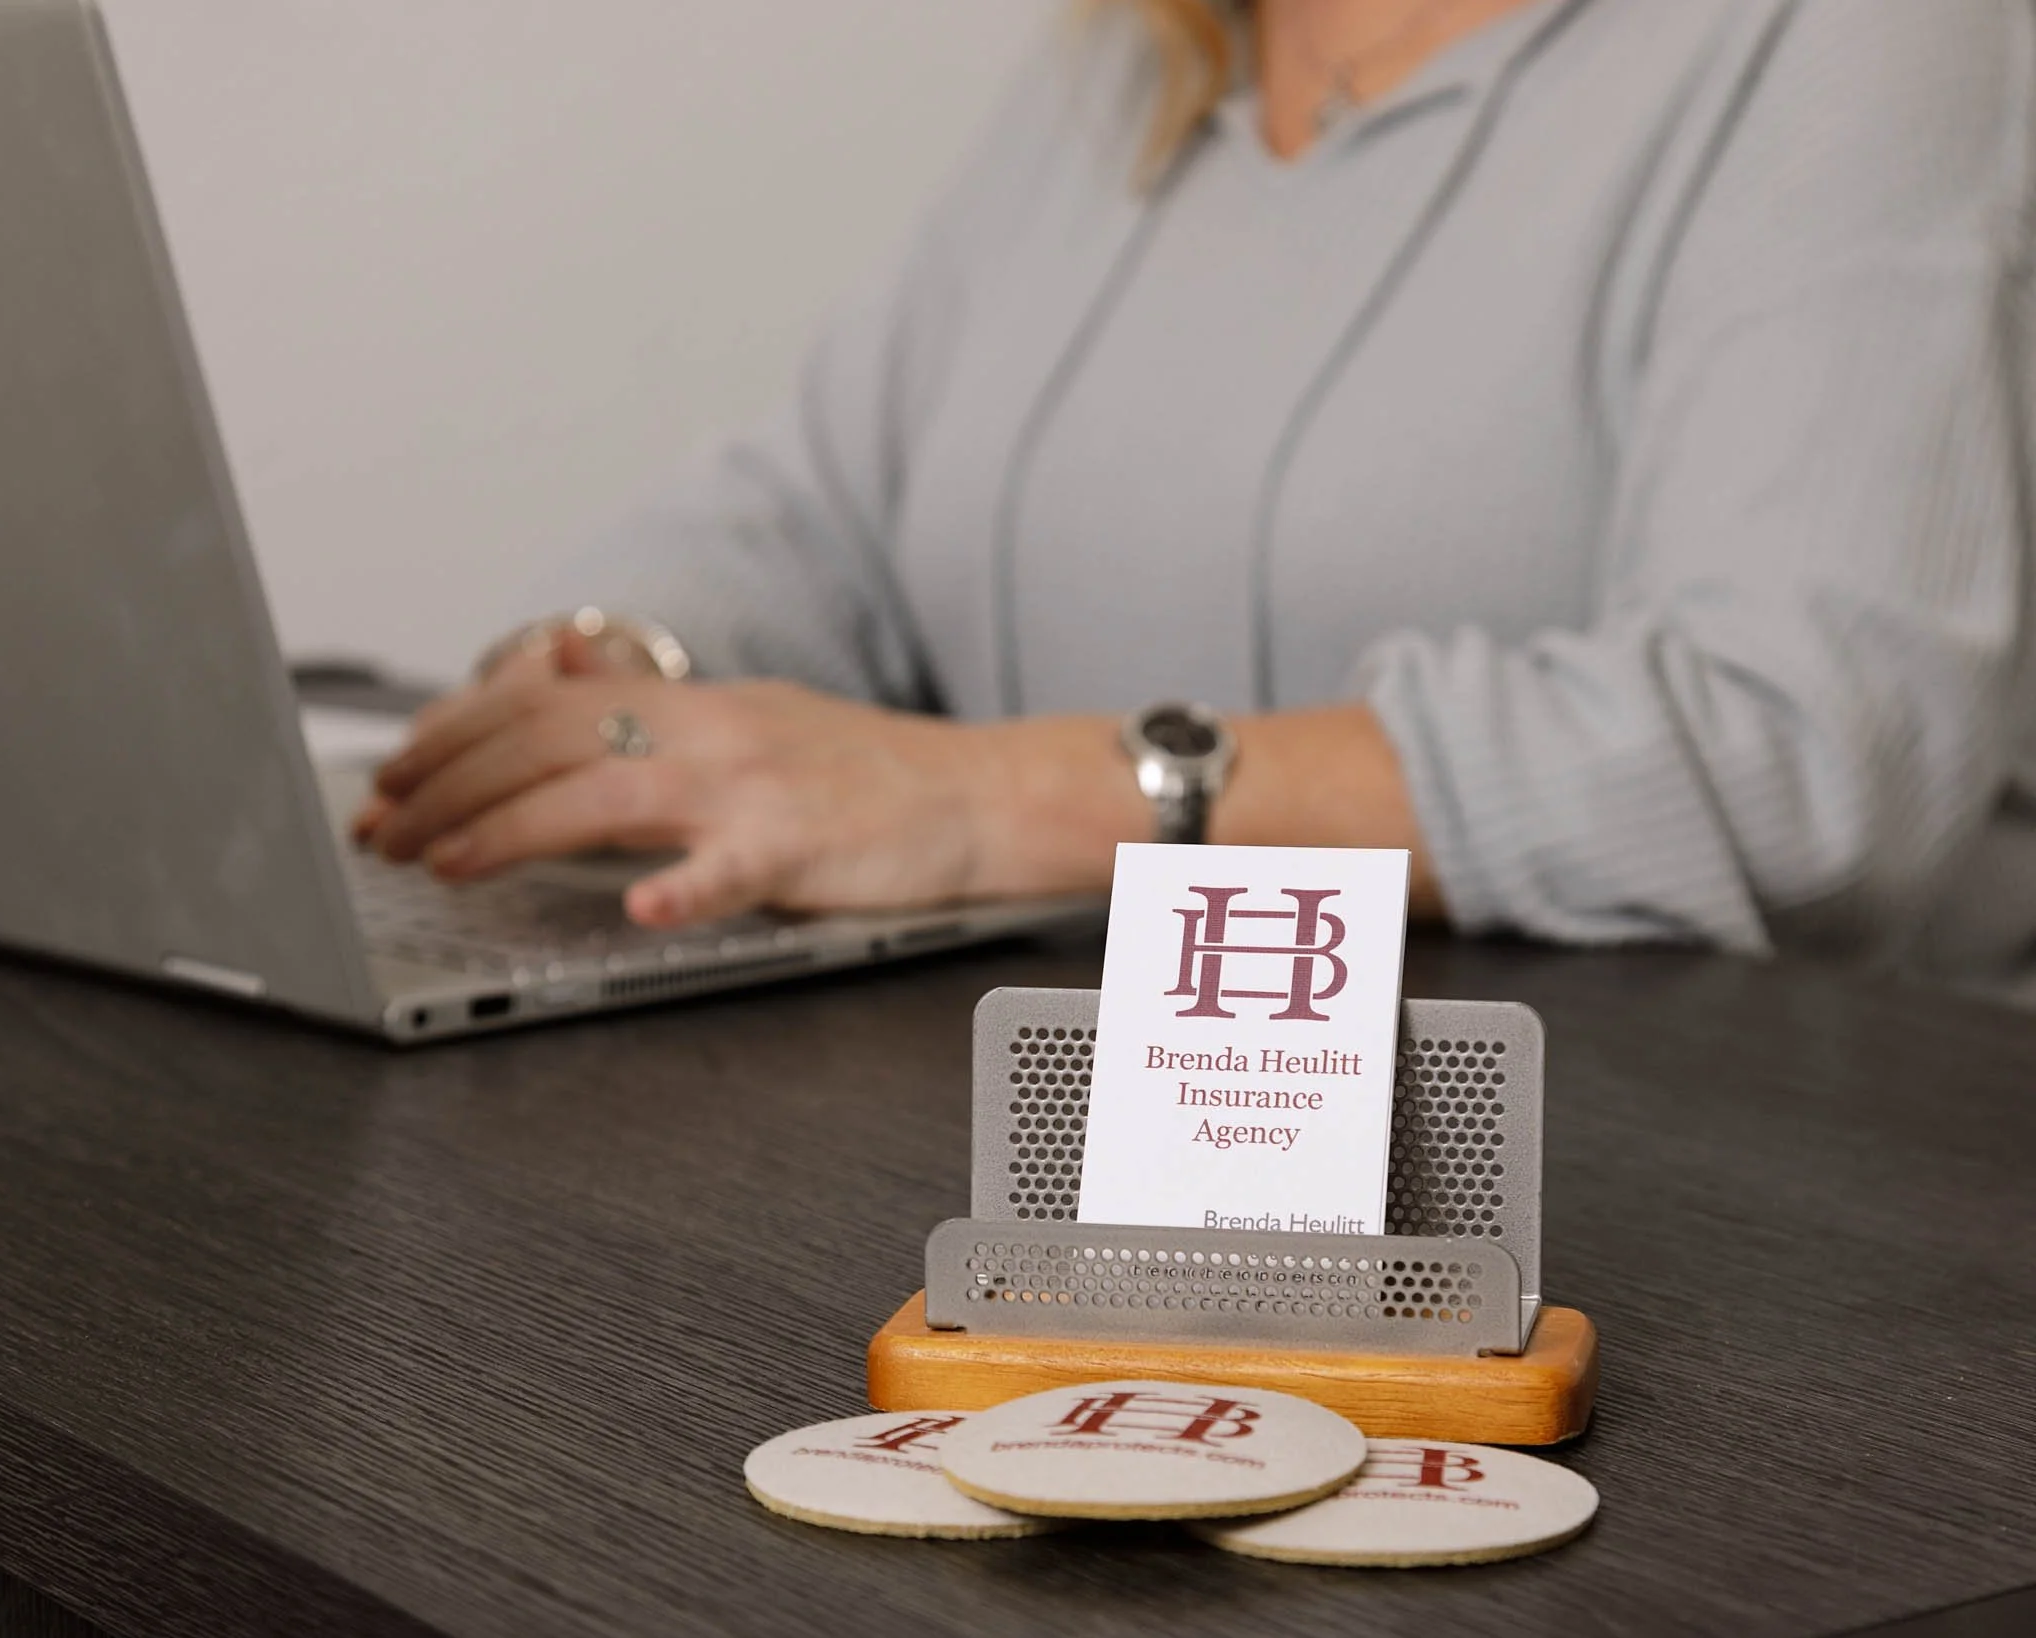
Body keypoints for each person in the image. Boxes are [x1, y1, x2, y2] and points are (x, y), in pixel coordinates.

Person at [357, 0, 2036, 998]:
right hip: (1119, 1140)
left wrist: (984, 801)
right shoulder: (1144, 58)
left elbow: (1804, 752)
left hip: (1686, 1213)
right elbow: (823, 512)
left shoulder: (1848, 39)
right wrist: (613, 671)